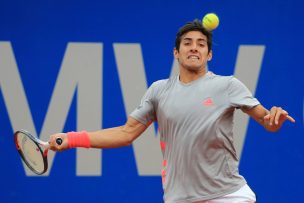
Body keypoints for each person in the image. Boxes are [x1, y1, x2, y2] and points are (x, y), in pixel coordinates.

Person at [49, 19, 295, 203]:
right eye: (187, 43)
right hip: (179, 197)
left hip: (228, 194)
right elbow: (126, 133)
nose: (194, 48)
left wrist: (273, 120)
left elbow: (265, 119)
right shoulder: (158, 91)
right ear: (176, 53)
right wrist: (71, 139)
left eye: (201, 44)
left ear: (209, 54)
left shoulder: (227, 85)